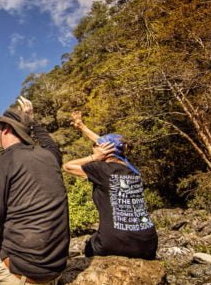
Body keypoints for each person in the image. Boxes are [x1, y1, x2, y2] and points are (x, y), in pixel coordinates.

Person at [0, 97, 70, 285]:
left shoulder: (5, 162)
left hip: (26, 275)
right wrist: (31, 120)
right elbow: (51, 145)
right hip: (56, 270)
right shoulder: (50, 157)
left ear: (6, 129)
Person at [62, 111, 157, 260]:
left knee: (89, 245)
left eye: (95, 146)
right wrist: (82, 127)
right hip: (148, 244)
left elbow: (67, 166)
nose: (94, 146)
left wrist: (94, 157)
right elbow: (107, 144)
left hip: (114, 243)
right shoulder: (133, 170)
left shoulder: (100, 170)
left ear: (104, 151)